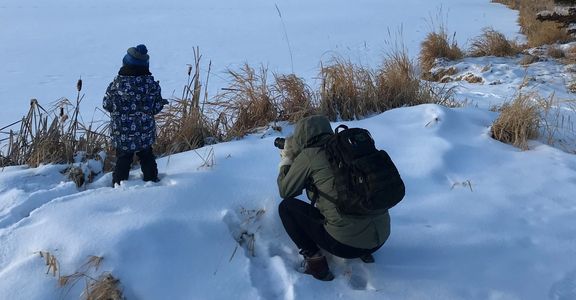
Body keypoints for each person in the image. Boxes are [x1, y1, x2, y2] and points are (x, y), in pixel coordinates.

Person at [277, 115, 391, 281]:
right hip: (381, 238)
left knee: (286, 208)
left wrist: (287, 159)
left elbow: (285, 191)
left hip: (344, 246)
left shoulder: (310, 155)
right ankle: (365, 252)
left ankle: (315, 262)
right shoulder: (350, 148)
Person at [103, 44, 168, 186]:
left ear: (125, 64)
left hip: (122, 131)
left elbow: (106, 105)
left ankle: (119, 184)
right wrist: (161, 103)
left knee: (123, 157)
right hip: (144, 131)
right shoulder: (151, 85)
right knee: (146, 155)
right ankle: (152, 180)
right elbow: (155, 108)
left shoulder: (116, 85)